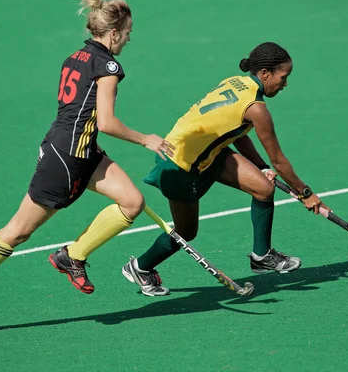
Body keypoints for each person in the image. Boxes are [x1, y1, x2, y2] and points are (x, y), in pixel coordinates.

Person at [0, 0, 174, 324]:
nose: (129, 39)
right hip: (65, 158)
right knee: (18, 231)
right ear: (113, 33)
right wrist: (145, 139)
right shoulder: (108, 66)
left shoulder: (75, 57)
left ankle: (72, 255)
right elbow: (106, 122)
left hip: (83, 150)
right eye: (128, 32)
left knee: (132, 202)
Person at [122, 42, 330, 296]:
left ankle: (262, 255)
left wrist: (260, 166)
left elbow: (236, 133)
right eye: (283, 77)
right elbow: (279, 160)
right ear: (265, 73)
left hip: (209, 153)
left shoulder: (235, 82)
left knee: (263, 189)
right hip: (179, 166)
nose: (285, 84)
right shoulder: (257, 108)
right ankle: (140, 267)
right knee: (186, 231)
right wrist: (305, 192)